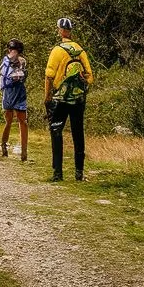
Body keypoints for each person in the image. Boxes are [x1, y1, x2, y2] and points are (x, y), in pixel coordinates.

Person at [44, 17, 93, 182]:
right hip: (78, 99)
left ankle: (58, 173)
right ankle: (79, 173)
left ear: (60, 30)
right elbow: (89, 76)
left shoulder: (57, 50)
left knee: (56, 131)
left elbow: (49, 75)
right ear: (70, 31)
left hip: (60, 98)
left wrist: (47, 96)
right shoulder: (80, 50)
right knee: (78, 133)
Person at [0, 39, 28, 161]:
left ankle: (24, 153)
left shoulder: (22, 61)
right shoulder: (6, 62)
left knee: (21, 121)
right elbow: (5, 78)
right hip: (10, 93)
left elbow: (23, 76)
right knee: (10, 121)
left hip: (18, 93)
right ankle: (4, 145)